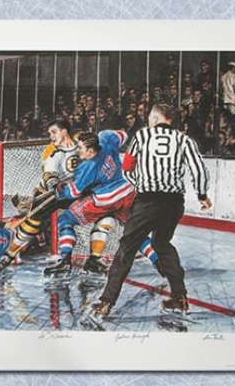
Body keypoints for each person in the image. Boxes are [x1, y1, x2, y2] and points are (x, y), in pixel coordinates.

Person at [91, 104, 212, 317]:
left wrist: (140, 184)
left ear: (156, 118)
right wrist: (202, 195)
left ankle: (106, 302)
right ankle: (180, 297)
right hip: (174, 202)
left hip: (147, 201)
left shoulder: (142, 136)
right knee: (162, 245)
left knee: (127, 248)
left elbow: (127, 168)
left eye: (149, 117)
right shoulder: (184, 140)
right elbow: (199, 170)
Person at [43, 130, 158, 276]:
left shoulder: (87, 167)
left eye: (81, 148)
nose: (78, 151)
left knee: (65, 219)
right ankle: (158, 260)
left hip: (105, 199)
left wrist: (58, 189)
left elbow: (73, 193)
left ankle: (65, 260)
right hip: (126, 192)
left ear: (91, 151)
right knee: (133, 229)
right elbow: (123, 135)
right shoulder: (106, 138)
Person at [0, 120, 80, 271]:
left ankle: (68, 258)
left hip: (73, 191)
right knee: (33, 222)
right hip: (51, 192)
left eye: (54, 132)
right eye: (49, 133)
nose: (51, 136)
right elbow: (49, 175)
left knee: (66, 221)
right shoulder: (53, 153)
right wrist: (55, 185)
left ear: (65, 131)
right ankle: (9, 255)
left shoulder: (81, 146)